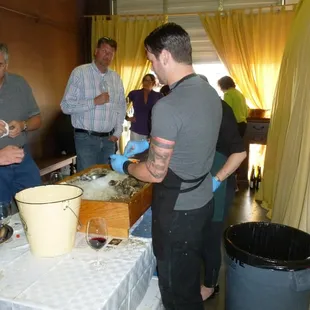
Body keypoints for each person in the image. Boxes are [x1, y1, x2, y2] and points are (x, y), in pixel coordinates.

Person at [110, 23, 222, 309]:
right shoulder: (209, 92)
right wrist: (146, 151)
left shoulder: (168, 106)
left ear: (165, 57)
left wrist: (126, 166)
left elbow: (155, 172)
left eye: (150, 58)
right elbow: (185, 143)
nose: (151, 66)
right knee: (187, 278)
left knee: (175, 292)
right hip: (203, 201)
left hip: (178, 212)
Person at [198, 74, 247, 301]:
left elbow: (238, 151)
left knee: (211, 234)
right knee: (200, 232)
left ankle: (210, 283)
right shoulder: (198, 107)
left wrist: (217, 180)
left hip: (217, 177)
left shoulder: (220, 108)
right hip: (203, 175)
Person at [60, 37, 126, 171]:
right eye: (104, 51)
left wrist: (117, 132)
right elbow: (65, 106)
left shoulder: (116, 78)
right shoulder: (80, 73)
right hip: (86, 139)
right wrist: (94, 102)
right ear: (96, 51)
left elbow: (121, 107)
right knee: (87, 180)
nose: (107, 55)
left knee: (106, 181)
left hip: (109, 140)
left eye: (111, 53)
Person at [0, 43, 42, 203]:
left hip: (22, 158)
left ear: (6, 65)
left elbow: (37, 120)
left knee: (36, 205)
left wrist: (23, 125)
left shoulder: (19, 84)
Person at [126, 74, 163, 141]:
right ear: (142, 82)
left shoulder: (159, 96)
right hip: (136, 128)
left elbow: (163, 113)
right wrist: (126, 117)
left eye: (150, 81)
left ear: (153, 83)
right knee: (135, 151)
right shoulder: (134, 93)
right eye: (145, 80)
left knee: (150, 151)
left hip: (152, 131)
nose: (147, 83)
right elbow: (121, 105)